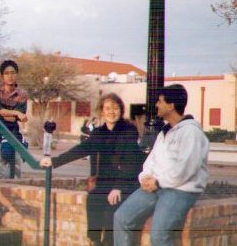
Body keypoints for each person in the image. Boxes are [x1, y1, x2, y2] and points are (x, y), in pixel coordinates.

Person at [40, 93, 145, 246]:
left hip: (126, 182)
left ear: (121, 110)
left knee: (112, 210)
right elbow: (81, 149)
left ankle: (108, 243)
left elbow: (130, 162)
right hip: (105, 182)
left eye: (115, 108)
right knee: (93, 200)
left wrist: (118, 187)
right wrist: (54, 161)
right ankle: (94, 241)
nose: (111, 112)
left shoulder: (128, 130)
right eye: (107, 108)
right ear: (102, 111)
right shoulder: (99, 132)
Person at [113, 84, 209, 246]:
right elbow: (151, 161)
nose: (156, 105)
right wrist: (145, 177)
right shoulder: (164, 133)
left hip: (180, 190)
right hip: (155, 187)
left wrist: (158, 182)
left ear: (171, 106)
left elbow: (185, 169)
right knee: (121, 218)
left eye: (160, 101)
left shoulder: (191, 133)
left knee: (159, 235)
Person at [0, 60, 28, 178]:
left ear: (16, 74)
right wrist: (15, 112)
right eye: (6, 73)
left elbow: (14, 119)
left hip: (12, 131)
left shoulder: (22, 94)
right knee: (1, 166)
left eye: (13, 73)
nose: (10, 76)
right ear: (2, 76)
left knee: (17, 166)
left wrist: (7, 114)